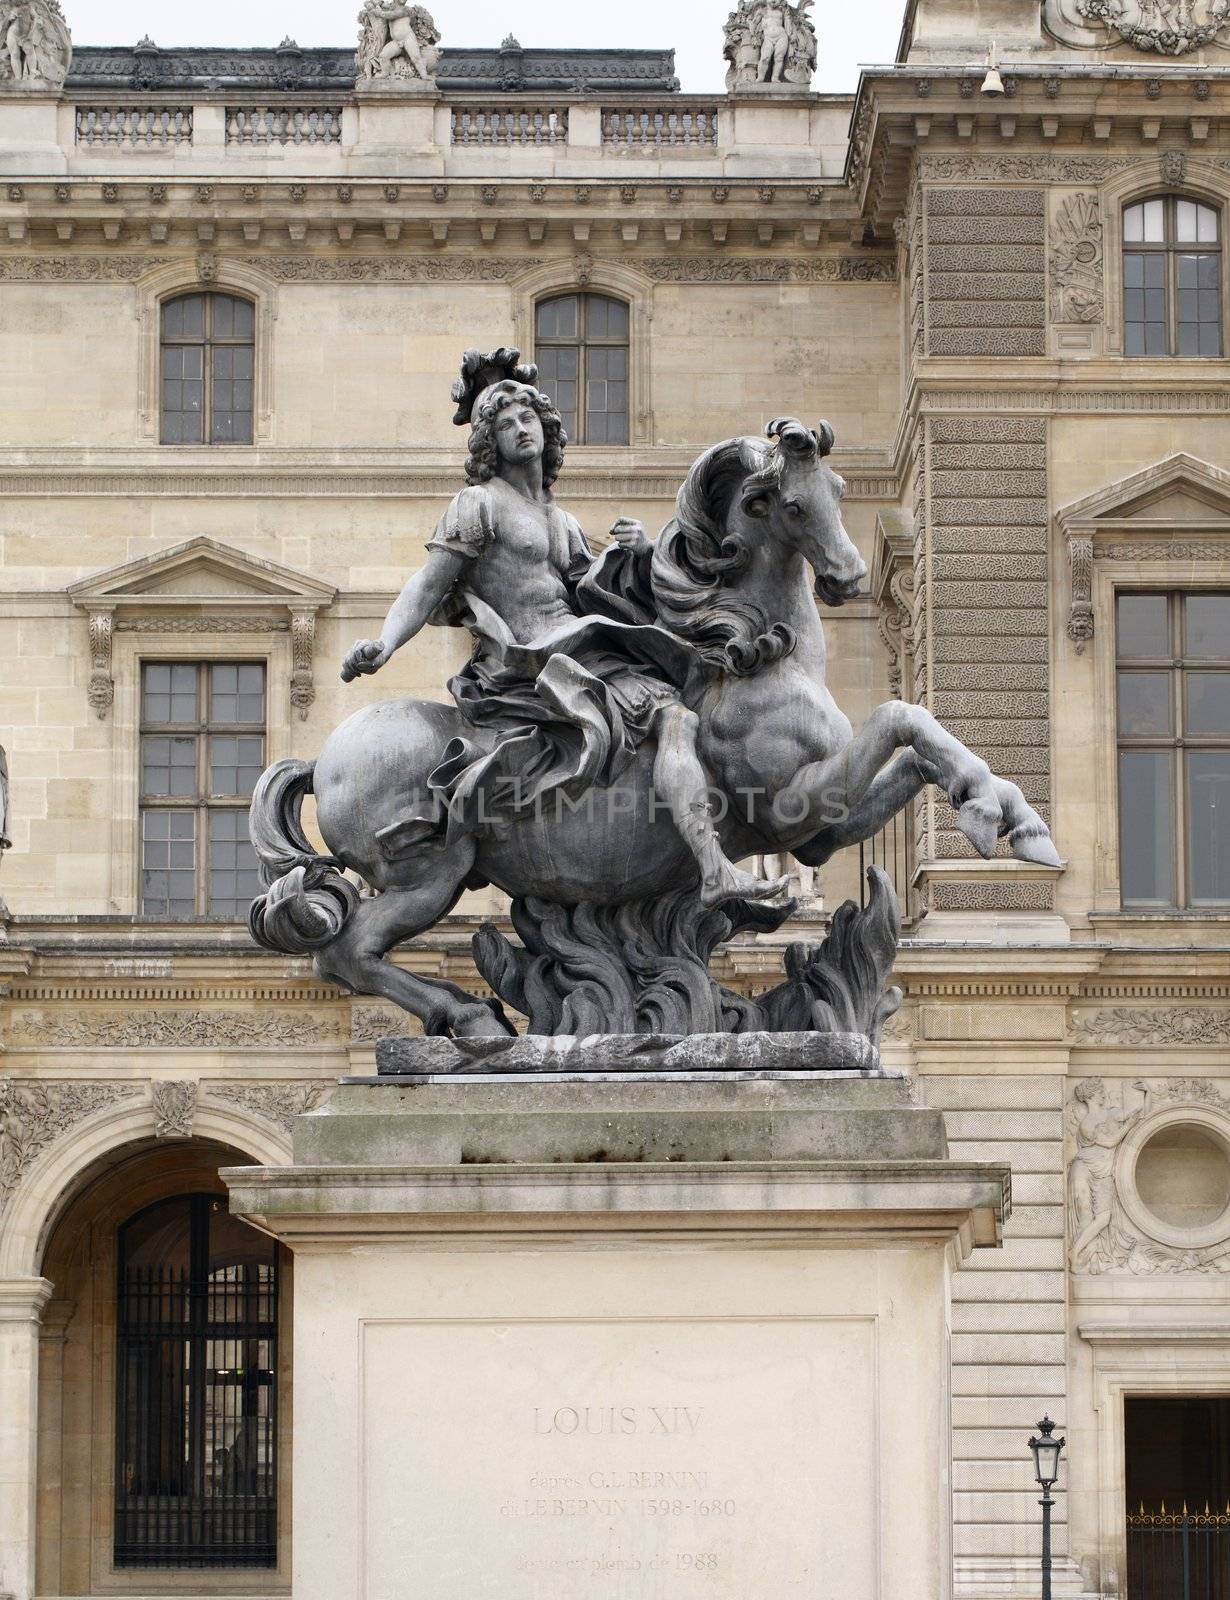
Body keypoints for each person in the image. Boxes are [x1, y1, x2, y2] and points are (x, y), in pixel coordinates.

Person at [341, 349, 786, 909]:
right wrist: (384, 644)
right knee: (673, 716)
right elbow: (429, 585)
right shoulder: (477, 504)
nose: (520, 429)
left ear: (546, 430)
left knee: (685, 689)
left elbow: (593, 593)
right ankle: (713, 868)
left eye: (527, 419)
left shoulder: (563, 521)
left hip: (579, 645)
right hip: (530, 660)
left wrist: (641, 554)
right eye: (504, 425)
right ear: (490, 444)